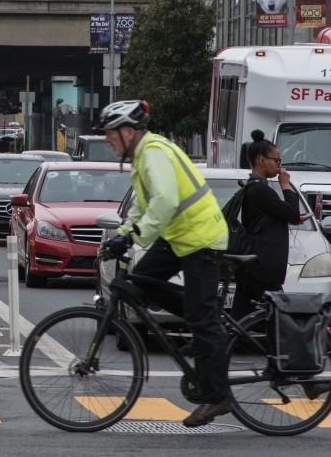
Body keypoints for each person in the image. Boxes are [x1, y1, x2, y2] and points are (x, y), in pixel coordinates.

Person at [98, 99, 231, 428]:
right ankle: (202, 318)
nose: (107, 140)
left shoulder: (154, 152)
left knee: (202, 319)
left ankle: (217, 396)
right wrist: (124, 234)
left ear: (128, 132)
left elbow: (166, 200)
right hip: (179, 237)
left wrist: (134, 236)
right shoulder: (142, 156)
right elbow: (142, 206)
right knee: (137, 283)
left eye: (110, 133)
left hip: (201, 238)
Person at [232, 130, 304, 321]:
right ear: (262, 161)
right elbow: (291, 212)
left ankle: (211, 347)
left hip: (255, 264)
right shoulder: (259, 189)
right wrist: (286, 185)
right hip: (262, 266)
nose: (280, 165)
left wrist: (293, 218)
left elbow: (282, 215)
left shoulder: (257, 187)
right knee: (281, 318)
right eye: (277, 160)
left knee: (239, 320)